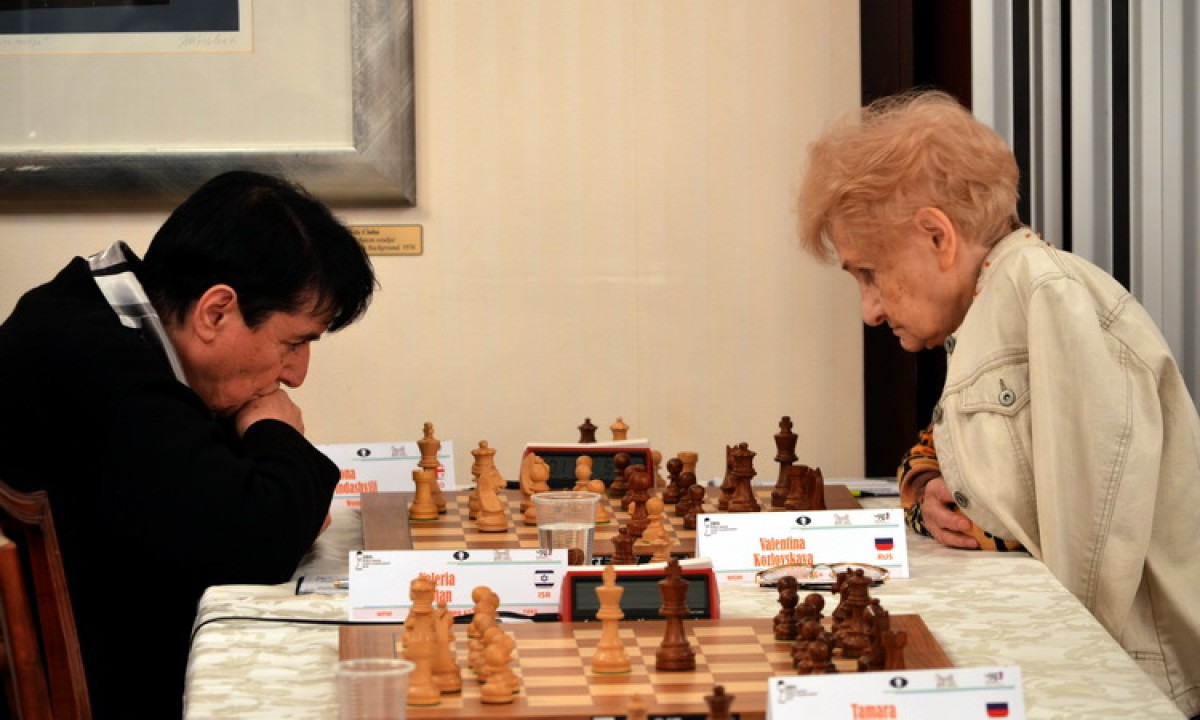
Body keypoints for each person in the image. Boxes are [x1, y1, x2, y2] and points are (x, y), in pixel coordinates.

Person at [796, 90, 1200, 718]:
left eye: (869, 273)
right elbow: (960, 466)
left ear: (938, 235)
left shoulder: (1046, 299)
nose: (869, 310)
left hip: (1124, 684)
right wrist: (923, 488)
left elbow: (1088, 564)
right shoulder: (993, 307)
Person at [0, 170, 377, 718]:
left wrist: (283, 494)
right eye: (293, 343)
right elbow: (263, 539)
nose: (296, 374)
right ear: (215, 312)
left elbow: (280, 513)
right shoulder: (101, 363)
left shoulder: (110, 320)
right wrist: (272, 428)